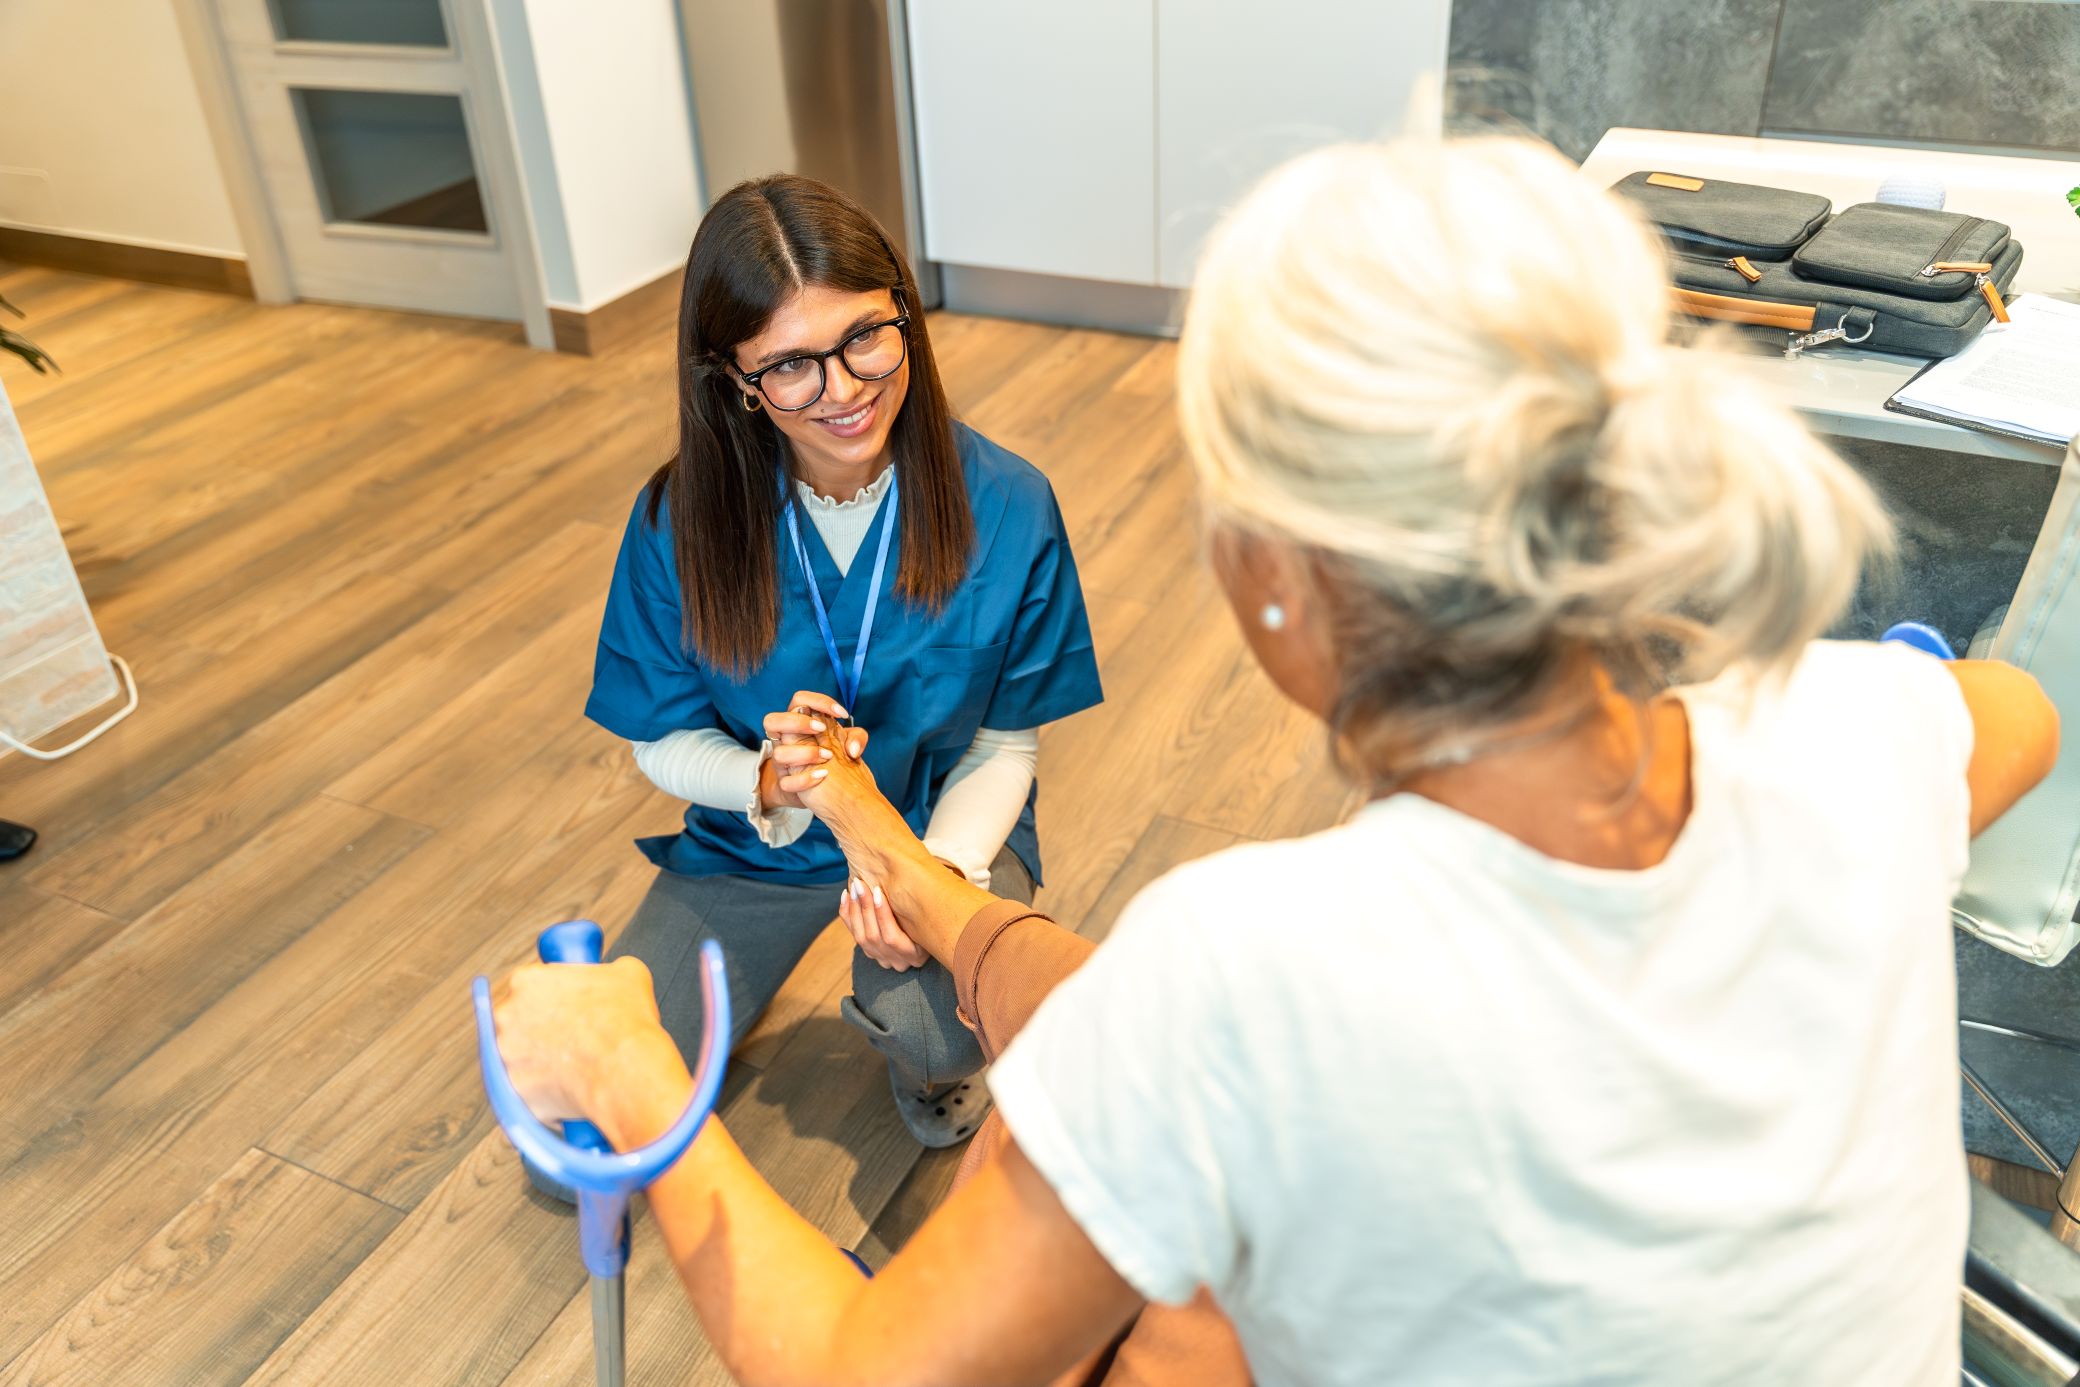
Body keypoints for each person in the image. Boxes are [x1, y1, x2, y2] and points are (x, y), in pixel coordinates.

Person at [492, 136, 2060, 1384]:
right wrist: (867, 838)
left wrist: (641, 1083)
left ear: (1270, 575)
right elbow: (2016, 717)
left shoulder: (1240, 969)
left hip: (954, 914)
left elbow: (863, 1362)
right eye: (790, 368)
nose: (835, 388)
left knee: (1172, 1320)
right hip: (821, 855)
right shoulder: (1866, 740)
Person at [580, 174, 1102, 1153]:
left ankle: (938, 1061)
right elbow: (661, 736)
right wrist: (763, 779)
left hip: (940, 830)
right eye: (790, 366)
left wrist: (935, 878)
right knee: (597, 1112)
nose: (846, 389)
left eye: (866, 336)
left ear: (905, 310)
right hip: (758, 842)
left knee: (939, 1028)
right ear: (732, 378)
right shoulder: (675, 522)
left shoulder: (1009, 502)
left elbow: (1004, 742)